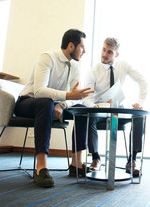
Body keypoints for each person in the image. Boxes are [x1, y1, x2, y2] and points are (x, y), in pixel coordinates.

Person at [14, 29, 94, 187]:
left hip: (53, 104)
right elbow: (39, 91)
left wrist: (63, 103)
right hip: (28, 102)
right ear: (71, 46)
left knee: (82, 109)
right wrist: (66, 96)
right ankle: (41, 167)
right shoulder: (48, 57)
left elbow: (75, 96)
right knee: (45, 102)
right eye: (82, 47)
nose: (84, 51)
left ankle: (76, 164)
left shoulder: (75, 66)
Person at [83, 37, 147, 177]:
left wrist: (140, 101)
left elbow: (142, 81)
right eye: (104, 49)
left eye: (110, 52)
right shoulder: (93, 71)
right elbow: (86, 98)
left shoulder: (123, 65)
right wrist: (93, 106)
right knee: (90, 116)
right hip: (99, 110)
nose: (105, 54)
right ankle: (95, 158)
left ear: (116, 54)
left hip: (118, 107)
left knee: (139, 115)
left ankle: (132, 161)